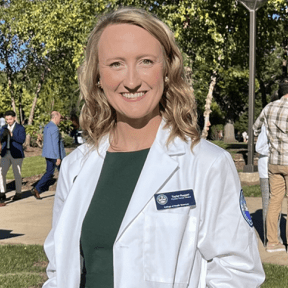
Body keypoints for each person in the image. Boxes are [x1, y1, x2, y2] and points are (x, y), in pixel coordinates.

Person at [43, 8, 265, 287]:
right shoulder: (76, 167)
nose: (132, 80)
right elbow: (58, 269)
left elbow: (239, 273)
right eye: (115, 64)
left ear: (168, 70)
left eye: (146, 61)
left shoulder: (207, 163)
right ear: (97, 76)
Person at [253, 78, 288, 252]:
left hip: (274, 163)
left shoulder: (269, 107)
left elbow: (255, 128)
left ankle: (273, 242)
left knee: (275, 201)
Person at [255, 124, 282, 247]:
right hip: (266, 169)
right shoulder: (267, 125)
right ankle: (269, 240)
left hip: (281, 167)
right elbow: (259, 147)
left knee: (277, 203)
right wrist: (277, 149)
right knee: (268, 204)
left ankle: (277, 237)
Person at [31, 111, 66, 199]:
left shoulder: (47, 126)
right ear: (55, 117)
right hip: (55, 154)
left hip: (48, 154)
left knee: (49, 172)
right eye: (60, 118)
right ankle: (65, 192)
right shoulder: (54, 128)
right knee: (63, 173)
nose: (60, 120)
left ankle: (37, 189)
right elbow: (55, 143)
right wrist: (58, 157)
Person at [0, 110, 26, 201]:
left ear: (14, 118)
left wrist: (12, 135)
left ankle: (18, 193)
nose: (8, 121)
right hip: (5, 153)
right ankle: (2, 193)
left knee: (17, 174)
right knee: (1, 173)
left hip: (16, 154)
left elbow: (22, 140)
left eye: (10, 119)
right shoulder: (3, 127)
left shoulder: (20, 128)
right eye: (7, 119)